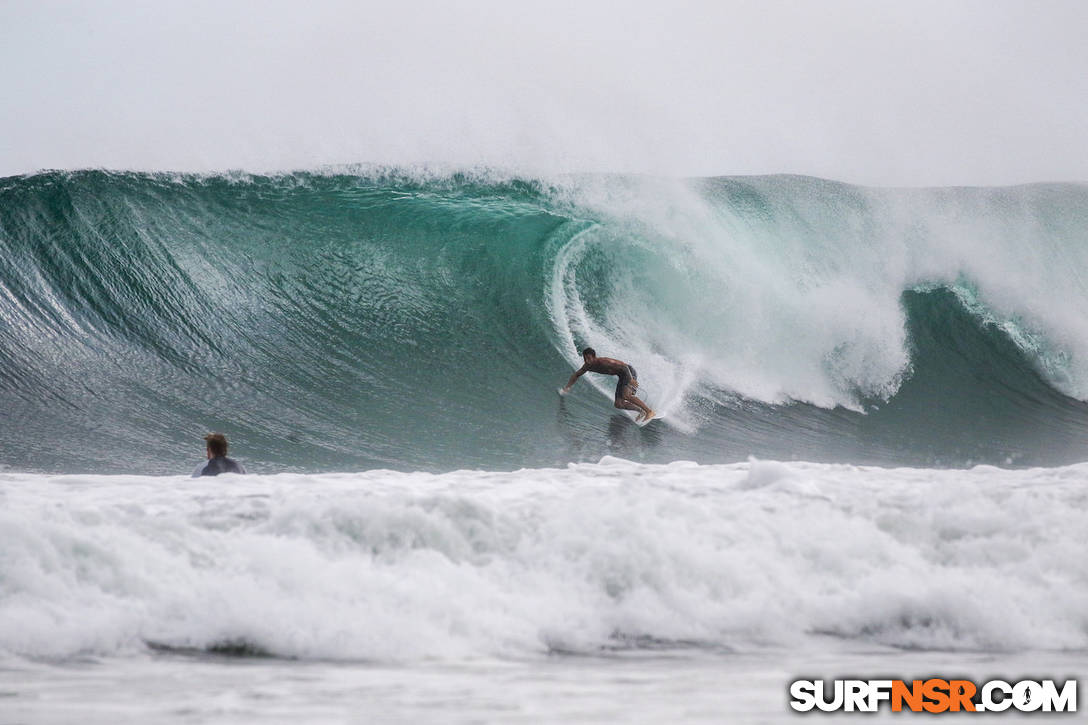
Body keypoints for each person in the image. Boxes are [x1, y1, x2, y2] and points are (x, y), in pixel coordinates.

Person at [560, 347, 656, 422]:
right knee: (618, 404)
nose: (587, 361)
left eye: (589, 358)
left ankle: (649, 411)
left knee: (626, 395)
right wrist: (567, 387)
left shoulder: (604, 362)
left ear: (594, 357)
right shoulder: (587, 366)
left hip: (629, 372)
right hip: (621, 376)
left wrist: (631, 379)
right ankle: (641, 411)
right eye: (585, 359)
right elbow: (576, 375)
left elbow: (624, 367)